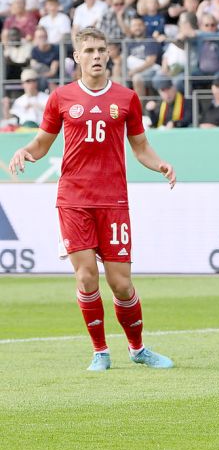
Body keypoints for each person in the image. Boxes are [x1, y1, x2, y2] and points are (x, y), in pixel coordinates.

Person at [6, 27, 176, 372]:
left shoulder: (127, 98)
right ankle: (100, 351)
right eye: (90, 51)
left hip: (113, 201)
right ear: (77, 58)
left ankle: (138, 348)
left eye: (102, 50)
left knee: (121, 283)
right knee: (85, 277)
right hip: (73, 199)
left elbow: (140, 147)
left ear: (109, 54)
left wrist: (160, 164)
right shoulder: (61, 97)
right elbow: (42, 142)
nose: (97, 56)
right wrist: (25, 151)